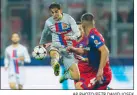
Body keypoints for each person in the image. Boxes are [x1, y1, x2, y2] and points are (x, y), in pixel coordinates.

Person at [67, 13, 112, 89]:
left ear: (83, 25)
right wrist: (73, 49)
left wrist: (100, 70)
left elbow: (105, 51)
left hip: (102, 74)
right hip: (93, 73)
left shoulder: (93, 36)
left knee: (80, 88)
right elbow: (85, 50)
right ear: (93, 22)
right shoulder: (91, 36)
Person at [39, 3, 80, 83]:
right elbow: (44, 34)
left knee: (76, 77)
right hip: (56, 46)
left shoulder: (69, 19)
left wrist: (71, 37)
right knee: (54, 55)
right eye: (52, 12)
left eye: (56, 12)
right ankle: (55, 65)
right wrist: (41, 44)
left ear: (61, 10)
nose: (54, 14)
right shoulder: (48, 22)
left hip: (68, 49)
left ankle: (66, 75)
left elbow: (77, 33)